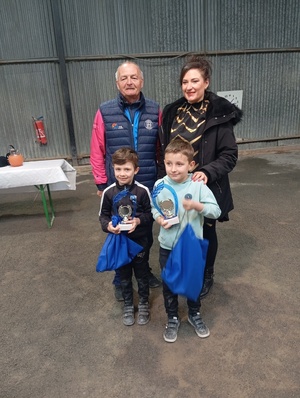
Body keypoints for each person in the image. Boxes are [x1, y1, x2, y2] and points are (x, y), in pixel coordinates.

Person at [159, 55, 242, 299]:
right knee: (176, 226)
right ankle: (184, 268)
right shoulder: (173, 111)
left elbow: (229, 155)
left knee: (205, 231)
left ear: (206, 82)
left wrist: (206, 171)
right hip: (175, 184)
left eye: (195, 80)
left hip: (206, 186)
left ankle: (207, 273)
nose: (189, 86)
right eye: (185, 81)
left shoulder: (219, 114)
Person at [90, 61, 161, 300]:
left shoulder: (155, 110)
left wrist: (162, 181)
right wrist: (102, 183)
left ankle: (144, 269)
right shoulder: (105, 111)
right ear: (117, 83)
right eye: (124, 78)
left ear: (141, 81)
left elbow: (161, 148)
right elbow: (97, 149)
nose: (129, 82)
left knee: (144, 230)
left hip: (148, 183)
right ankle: (121, 278)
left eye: (134, 77)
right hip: (118, 186)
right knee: (119, 231)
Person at [152, 136, 221, 342]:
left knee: (193, 282)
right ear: (163, 163)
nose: (173, 169)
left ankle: (194, 313)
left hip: (191, 247)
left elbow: (216, 211)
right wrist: (159, 220)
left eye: (179, 164)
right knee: (169, 283)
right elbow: (155, 208)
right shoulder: (159, 184)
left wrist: (198, 206)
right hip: (168, 246)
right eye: (169, 163)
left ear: (191, 165)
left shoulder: (198, 186)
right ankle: (172, 317)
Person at [99, 148, 152, 326]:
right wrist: (108, 226)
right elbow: (103, 216)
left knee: (142, 273)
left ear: (136, 170)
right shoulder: (108, 193)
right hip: (120, 243)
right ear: (113, 169)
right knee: (123, 274)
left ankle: (143, 303)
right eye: (118, 169)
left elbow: (150, 214)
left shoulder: (143, 191)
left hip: (140, 243)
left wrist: (138, 220)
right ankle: (129, 304)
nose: (122, 174)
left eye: (127, 169)